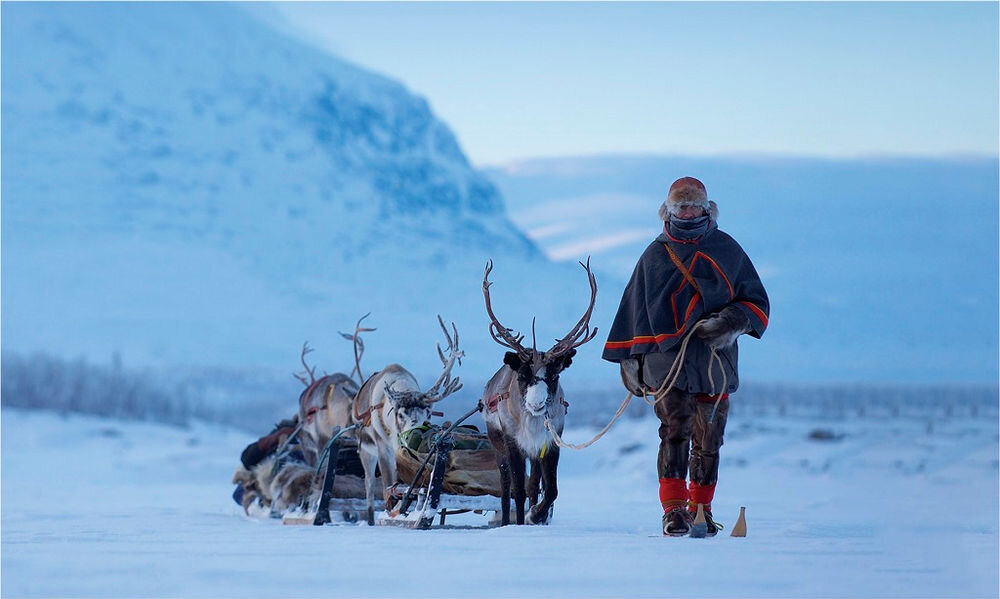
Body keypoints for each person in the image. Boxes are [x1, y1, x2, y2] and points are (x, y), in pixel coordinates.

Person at [602, 176, 769, 537]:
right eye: (682, 206)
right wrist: (632, 362)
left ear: (707, 209)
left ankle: (701, 508)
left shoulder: (727, 249)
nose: (689, 211)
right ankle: (674, 511)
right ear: (669, 210)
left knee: (710, 435)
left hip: (714, 361)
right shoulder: (654, 255)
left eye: (695, 206)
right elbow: (633, 312)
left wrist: (729, 322)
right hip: (667, 362)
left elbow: (756, 302)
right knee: (674, 430)